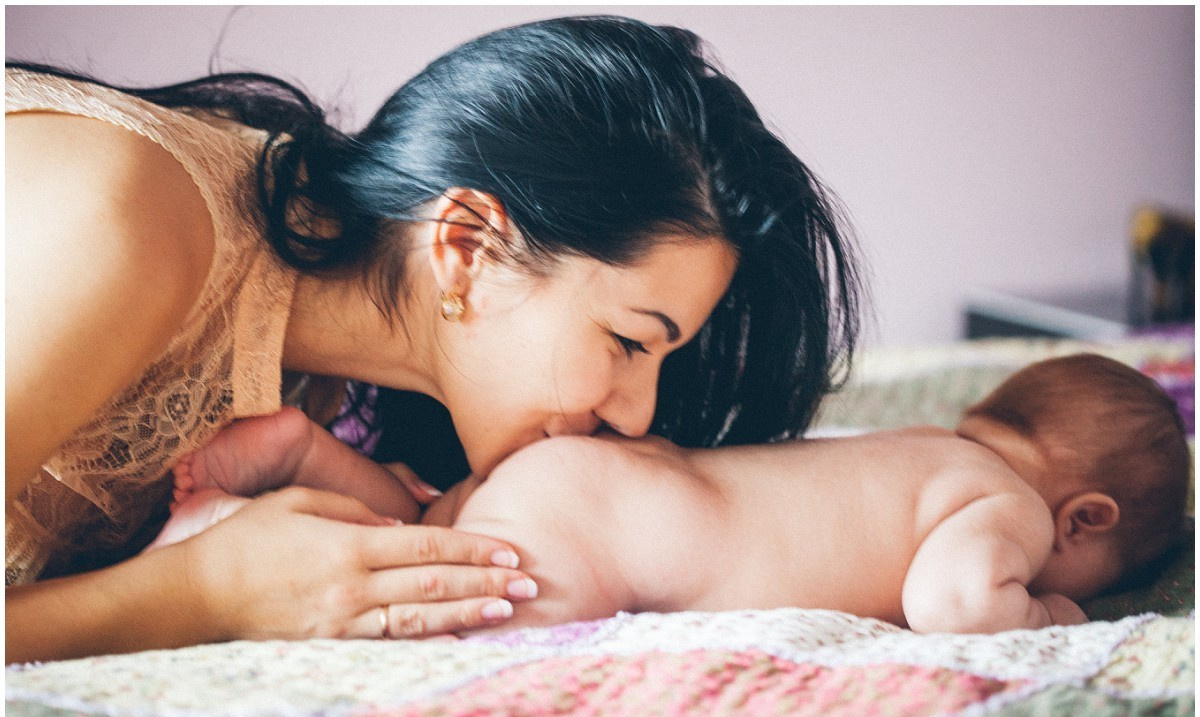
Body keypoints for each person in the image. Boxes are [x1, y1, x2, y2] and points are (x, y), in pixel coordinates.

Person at [5, 15, 863, 662]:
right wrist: (208, 590)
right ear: (466, 247)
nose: (637, 415)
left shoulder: (326, 389)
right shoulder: (125, 226)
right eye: (630, 342)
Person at [157, 354, 1191, 634]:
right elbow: (958, 604)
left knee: (431, 523)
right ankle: (234, 529)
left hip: (600, 487)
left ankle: (306, 455)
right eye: (1103, 575)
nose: (1085, 588)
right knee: (424, 594)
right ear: (1082, 517)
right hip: (608, 534)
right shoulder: (1006, 504)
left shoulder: (928, 444)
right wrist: (1048, 607)